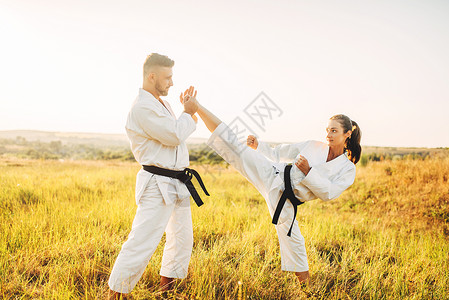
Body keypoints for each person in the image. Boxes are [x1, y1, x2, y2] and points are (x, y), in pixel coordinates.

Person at [184, 87, 361, 283]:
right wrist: (259, 146)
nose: (328, 134)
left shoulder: (347, 169)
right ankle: (197, 107)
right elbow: (281, 152)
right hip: (272, 173)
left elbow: (329, 193)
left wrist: (308, 172)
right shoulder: (313, 145)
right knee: (233, 145)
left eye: (334, 130)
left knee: (295, 240)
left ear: (348, 134)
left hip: (286, 199)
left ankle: (307, 288)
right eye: (327, 130)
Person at [108, 54, 208, 298]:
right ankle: (115, 295)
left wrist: (189, 113)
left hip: (177, 182)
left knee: (181, 240)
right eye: (168, 77)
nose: (172, 83)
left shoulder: (161, 103)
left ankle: (167, 292)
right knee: (141, 242)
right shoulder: (142, 106)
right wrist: (188, 111)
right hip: (157, 184)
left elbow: (175, 136)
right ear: (151, 76)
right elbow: (174, 135)